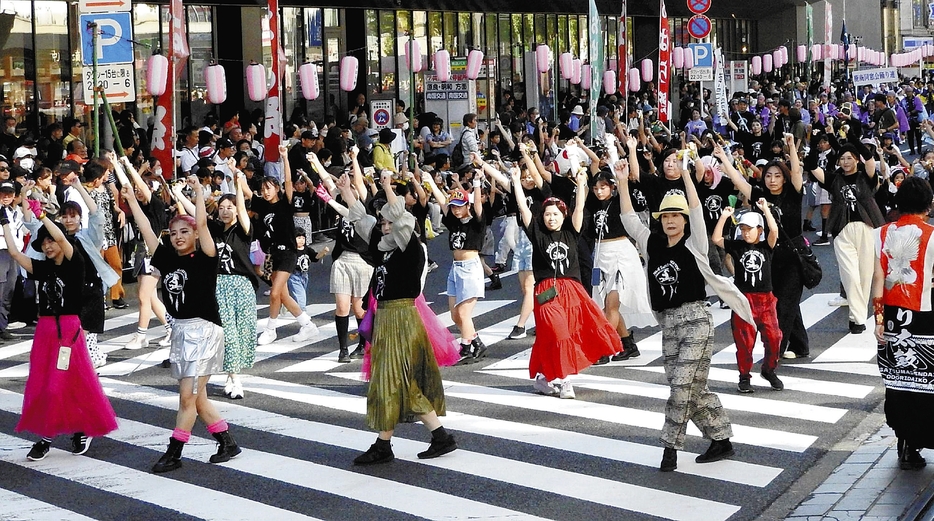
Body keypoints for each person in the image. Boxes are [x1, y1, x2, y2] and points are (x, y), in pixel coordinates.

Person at [619, 154, 753, 472]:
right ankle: (721, 438)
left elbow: (695, 210)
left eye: (676, 216)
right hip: (669, 324)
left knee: (682, 385)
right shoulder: (651, 243)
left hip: (696, 320)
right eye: (666, 216)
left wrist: (689, 178)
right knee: (690, 387)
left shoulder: (695, 243)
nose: (671, 221)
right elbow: (628, 220)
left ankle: (669, 448)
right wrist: (623, 182)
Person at [123, 174, 242, 473]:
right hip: (181, 331)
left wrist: (199, 191)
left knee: (186, 396)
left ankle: (174, 452)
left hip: (205, 329)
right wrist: (130, 200)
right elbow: (146, 228)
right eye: (173, 231)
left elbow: (202, 224)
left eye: (183, 231)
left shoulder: (205, 257)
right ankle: (227, 441)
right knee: (197, 397)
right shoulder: (166, 257)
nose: (177, 236)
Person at [340, 172, 457, 465]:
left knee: (394, 379)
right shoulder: (385, 250)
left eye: (391, 223)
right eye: (384, 223)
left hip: (402, 317)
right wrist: (348, 194)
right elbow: (364, 223)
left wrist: (388, 188)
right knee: (394, 380)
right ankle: (430, 438)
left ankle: (389, 444)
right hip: (389, 318)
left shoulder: (410, 248)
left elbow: (401, 218)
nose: (386, 227)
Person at [1, 207, 117, 461]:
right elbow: (13, 252)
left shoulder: (75, 263)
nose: (48, 245)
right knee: (45, 385)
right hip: (45, 330)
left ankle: (48, 437)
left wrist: (43, 216)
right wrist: (5, 223)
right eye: (43, 242)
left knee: (61, 384)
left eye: (50, 240)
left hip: (68, 330)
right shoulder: (43, 268)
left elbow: (63, 238)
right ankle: (71, 430)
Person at [511, 165, 621, 399]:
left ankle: (543, 377)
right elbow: (523, 208)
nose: (551, 218)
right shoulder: (537, 233)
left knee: (559, 335)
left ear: (563, 215)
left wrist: (581, 183)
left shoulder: (572, 231)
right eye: (548, 214)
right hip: (545, 291)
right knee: (558, 332)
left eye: (556, 214)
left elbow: (579, 207)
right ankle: (563, 379)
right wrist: (515, 184)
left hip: (571, 290)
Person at [717, 137, 812, 358]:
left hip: (793, 255)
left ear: (784, 178)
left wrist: (792, 148)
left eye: (777, 176)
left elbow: (797, 173)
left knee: (785, 303)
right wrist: (724, 159)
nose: (772, 180)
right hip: (768, 256)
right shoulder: (760, 196)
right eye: (768, 175)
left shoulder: (793, 193)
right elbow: (739, 181)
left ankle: (776, 349)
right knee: (782, 299)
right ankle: (800, 345)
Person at [872, 176, 934, 470]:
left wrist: (879, 319)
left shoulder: (880, 234)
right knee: (926, 382)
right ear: (928, 205)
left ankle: (907, 443)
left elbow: (876, 279)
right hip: (926, 316)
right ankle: (921, 438)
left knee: (900, 383)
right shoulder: (931, 235)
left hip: (893, 319)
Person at [244, 144, 320, 345]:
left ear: (276, 188)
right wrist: (236, 174)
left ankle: (271, 329)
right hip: (273, 254)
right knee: (284, 295)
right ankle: (307, 325)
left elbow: (288, 181)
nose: (265, 192)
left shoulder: (285, 202)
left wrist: (285, 158)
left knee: (276, 292)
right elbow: (247, 192)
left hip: (288, 253)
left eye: (268, 188)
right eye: (263, 189)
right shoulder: (262, 204)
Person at [712, 202, 784, 393]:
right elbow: (717, 238)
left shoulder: (766, 246)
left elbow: (774, 231)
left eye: (750, 229)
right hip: (743, 299)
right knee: (744, 341)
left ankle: (769, 370)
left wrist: (766, 210)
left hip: (766, 299)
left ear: (759, 230)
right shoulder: (737, 246)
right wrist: (724, 217)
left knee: (774, 337)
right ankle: (744, 377)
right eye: (743, 229)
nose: (745, 233)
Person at [812, 142, 884, 334]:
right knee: (849, 276)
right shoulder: (833, 179)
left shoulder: (866, 177)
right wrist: (814, 142)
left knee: (864, 275)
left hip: (866, 229)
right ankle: (860, 319)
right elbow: (812, 166)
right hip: (842, 232)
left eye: (849, 158)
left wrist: (853, 138)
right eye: (842, 158)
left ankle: (855, 316)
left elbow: (869, 160)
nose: (845, 162)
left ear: (856, 160)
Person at [424, 165, 488, 364]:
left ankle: (467, 346)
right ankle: (476, 341)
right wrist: (431, 182)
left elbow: (477, 205)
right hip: (456, 268)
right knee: (454, 315)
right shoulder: (454, 221)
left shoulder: (476, 222)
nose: (456, 209)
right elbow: (443, 202)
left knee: (463, 312)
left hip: (471, 268)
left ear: (466, 205)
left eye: (460, 205)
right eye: (454, 206)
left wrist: (476, 183)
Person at [206, 168, 258, 400]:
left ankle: (231, 374)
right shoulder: (216, 229)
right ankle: (235, 379)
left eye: (230, 207)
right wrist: (187, 195)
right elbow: (195, 215)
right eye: (222, 207)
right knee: (228, 333)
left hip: (242, 285)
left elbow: (245, 217)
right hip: (220, 285)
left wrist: (238, 184)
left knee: (243, 332)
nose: (225, 210)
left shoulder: (243, 230)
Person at [119, 157, 172, 349]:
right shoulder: (139, 206)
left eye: (143, 189)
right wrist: (119, 166)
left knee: (143, 296)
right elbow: (129, 187)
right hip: (142, 253)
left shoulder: (155, 204)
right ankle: (171, 327)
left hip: (153, 254)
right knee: (150, 297)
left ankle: (141, 335)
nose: (139, 192)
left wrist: (128, 166)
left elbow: (138, 184)